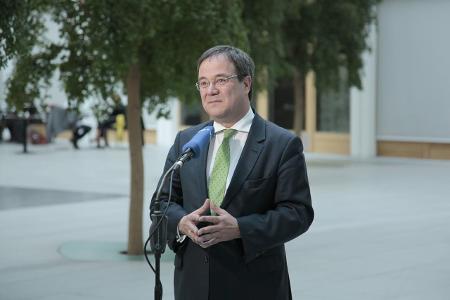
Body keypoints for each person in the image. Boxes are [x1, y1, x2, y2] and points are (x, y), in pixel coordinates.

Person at [150, 45, 314, 300]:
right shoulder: (187, 140)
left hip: (254, 285)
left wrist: (240, 228)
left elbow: (298, 213)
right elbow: (162, 203)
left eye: (220, 80)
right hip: (193, 285)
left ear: (246, 83)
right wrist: (181, 222)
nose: (210, 90)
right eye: (203, 83)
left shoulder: (281, 144)